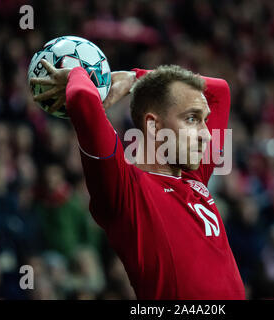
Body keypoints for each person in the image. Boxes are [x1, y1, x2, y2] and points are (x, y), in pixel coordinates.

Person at [30, 59, 245, 300]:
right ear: (153, 126)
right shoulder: (124, 189)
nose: (206, 134)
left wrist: (134, 79)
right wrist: (80, 72)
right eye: (192, 119)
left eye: (205, 120)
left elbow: (220, 91)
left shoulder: (194, 175)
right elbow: (82, 97)